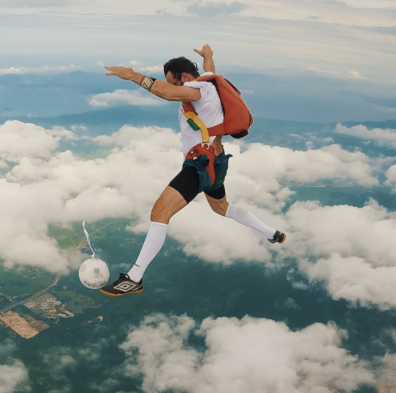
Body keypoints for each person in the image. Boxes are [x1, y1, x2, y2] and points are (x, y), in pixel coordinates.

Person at [99, 45, 285, 297]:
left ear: (184, 77)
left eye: (175, 82)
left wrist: (132, 75)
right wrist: (208, 58)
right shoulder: (209, 85)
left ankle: (135, 277)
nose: (176, 88)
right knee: (222, 207)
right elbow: (208, 73)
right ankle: (271, 233)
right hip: (217, 164)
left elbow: (168, 94)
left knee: (160, 212)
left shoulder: (198, 91)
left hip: (200, 164)